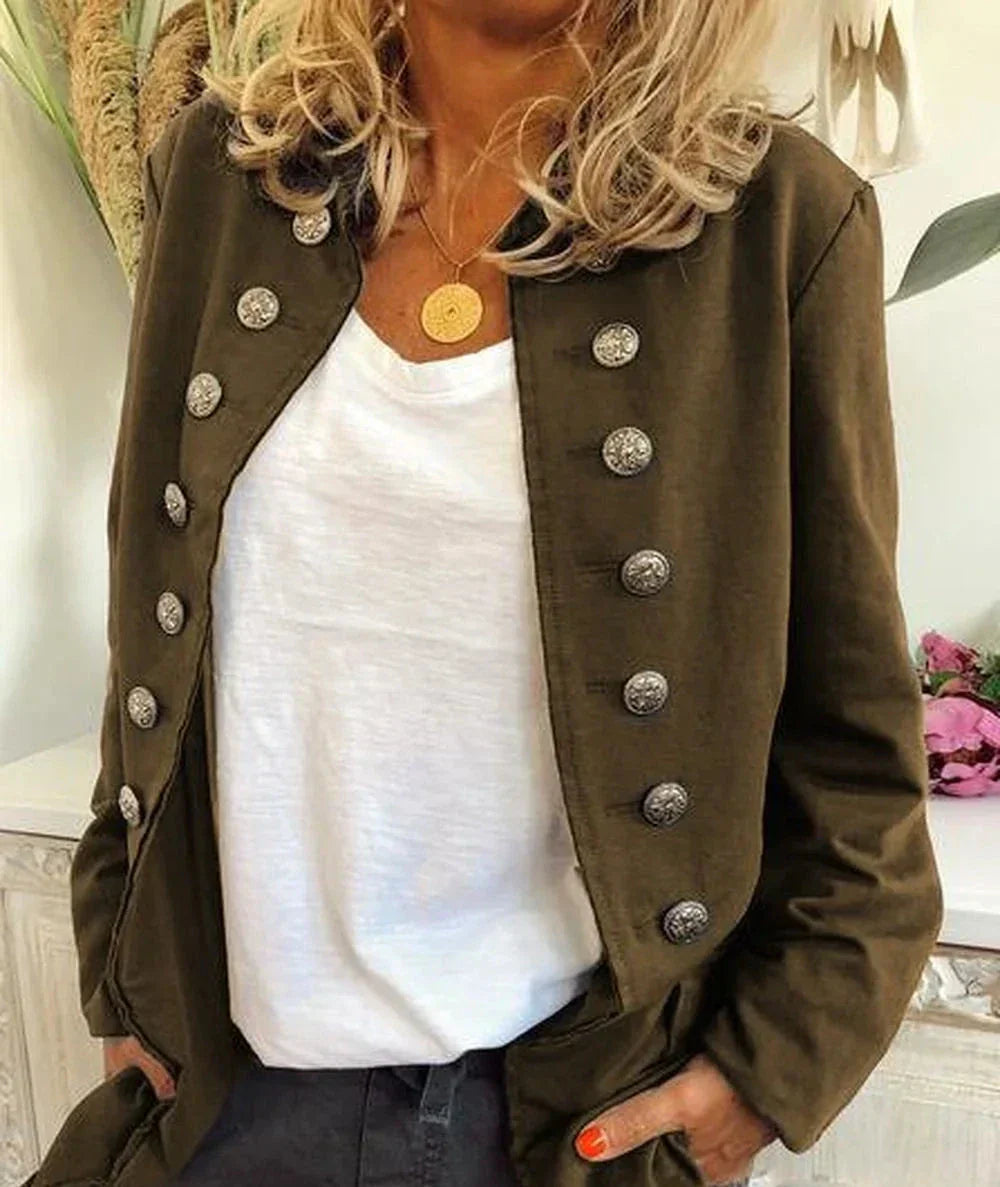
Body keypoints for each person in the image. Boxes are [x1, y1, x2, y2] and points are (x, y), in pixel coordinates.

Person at [27, 2, 943, 1187]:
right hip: (220, 1099)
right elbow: (151, 613)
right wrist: (118, 957)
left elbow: (852, 737)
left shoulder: (776, 221)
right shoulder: (222, 174)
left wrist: (770, 1069)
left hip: (566, 1116)